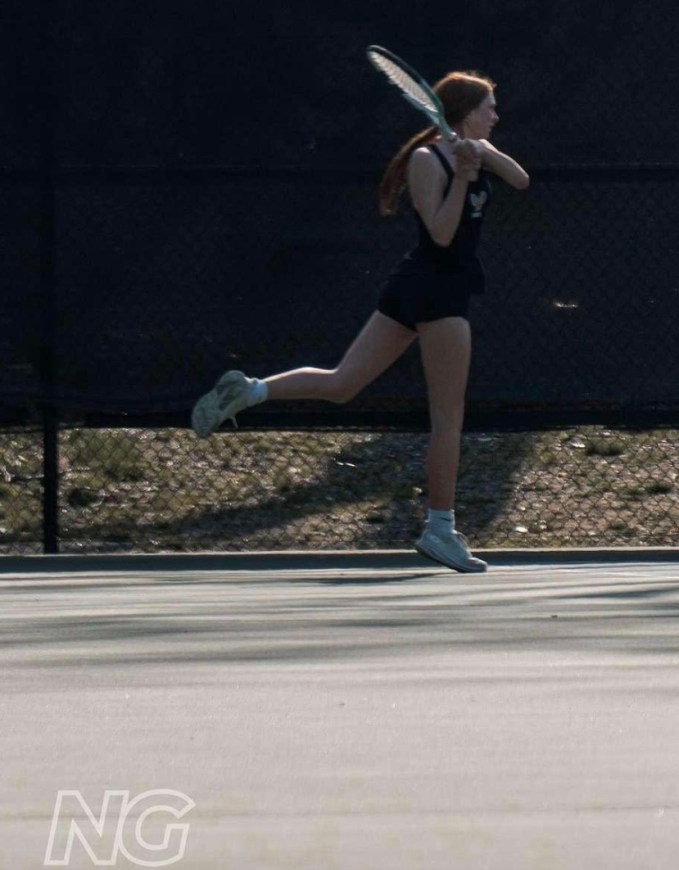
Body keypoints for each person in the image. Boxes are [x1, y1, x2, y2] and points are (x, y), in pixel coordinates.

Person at [191, 69, 529, 572]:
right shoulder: (426, 160)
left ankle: (250, 390)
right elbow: (441, 234)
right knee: (448, 418)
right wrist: (461, 176)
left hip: (423, 288)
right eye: (489, 108)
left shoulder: (474, 149)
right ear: (464, 111)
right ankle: (440, 529)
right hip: (436, 290)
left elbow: (521, 180)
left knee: (341, 384)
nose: (496, 116)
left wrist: (478, 153)